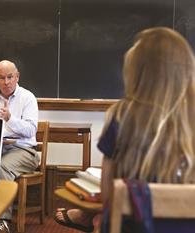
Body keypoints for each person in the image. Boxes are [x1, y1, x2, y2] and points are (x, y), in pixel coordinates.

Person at [55, 27, 195, 233]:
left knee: (101, 218)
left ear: (136, 73)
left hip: (131, 227)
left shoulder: (122, 116)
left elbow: (107, 192)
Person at [0, 60, 40, 233]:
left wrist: (10, 118)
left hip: (24, 150)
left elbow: (30, 130)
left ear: (17, 77)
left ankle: (3, 222)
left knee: (1, 167)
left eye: (10, 77)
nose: (6, 82)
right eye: (2, 78)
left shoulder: (28, 98)